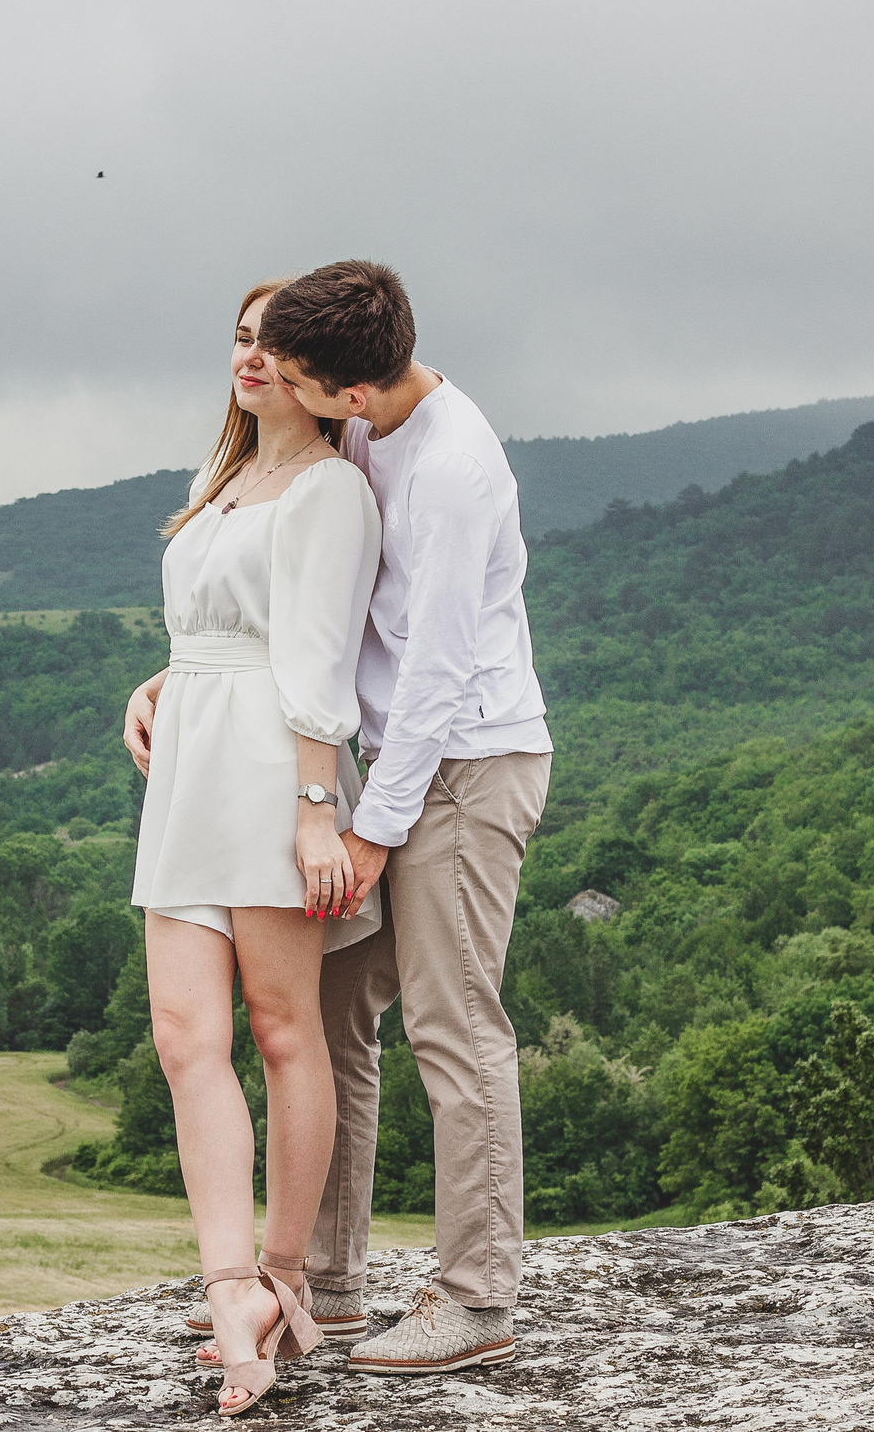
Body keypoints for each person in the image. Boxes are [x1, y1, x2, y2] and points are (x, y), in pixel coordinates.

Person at [257, 258, 555, 1375]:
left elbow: (435, 671)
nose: (279, 388)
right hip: (393, 767)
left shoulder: (454, 470)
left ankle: (476, 1298)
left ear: (349, 390)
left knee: (453, 1023)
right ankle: (328, 1282)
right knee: (336, 1007)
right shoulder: (372, 424)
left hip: (467, 769)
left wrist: (374, 832)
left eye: (294, 377)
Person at [121, 276, 385, 1417]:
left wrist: (316, 808)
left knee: (284, 1030)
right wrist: (157, 684)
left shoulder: (332, 489)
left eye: (276, 344)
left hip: (277, 768)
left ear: (315, 370)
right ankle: (226, 1287)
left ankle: (284, 1275)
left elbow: (316, 657)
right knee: (184, 1035)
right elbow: (213, 631)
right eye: (241, 337)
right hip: (190, 765)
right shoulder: (218, 480)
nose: (252, 357)